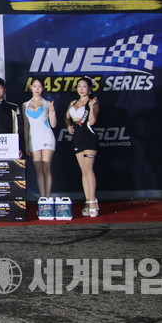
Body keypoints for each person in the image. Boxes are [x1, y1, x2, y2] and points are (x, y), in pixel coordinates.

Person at [65, 76, 101, 217]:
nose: (81, 89)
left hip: (89, 138)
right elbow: (66, 117)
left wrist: (91, 108)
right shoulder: (73, 103)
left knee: (88, 169)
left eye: (84, 86)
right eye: (79, 86)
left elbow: (92, 122)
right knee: (83, 171)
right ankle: (88, 201)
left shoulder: (93, 102)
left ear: (89, 88)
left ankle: (92, 202)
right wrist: (69, 126)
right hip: (77, 139)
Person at [22, 77, 57, 198]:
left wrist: (52, 111)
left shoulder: (47, 103)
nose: (37, 89)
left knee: (46, 168)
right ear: (30, 87)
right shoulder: (25, 105)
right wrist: (26, 144)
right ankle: (42, 198)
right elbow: (26, 126)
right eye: (35, 86)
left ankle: (48, 197)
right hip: (34, 139)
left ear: (43, 88)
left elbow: (53, 124)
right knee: (38, 170)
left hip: (47, 137)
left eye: (40, 86)